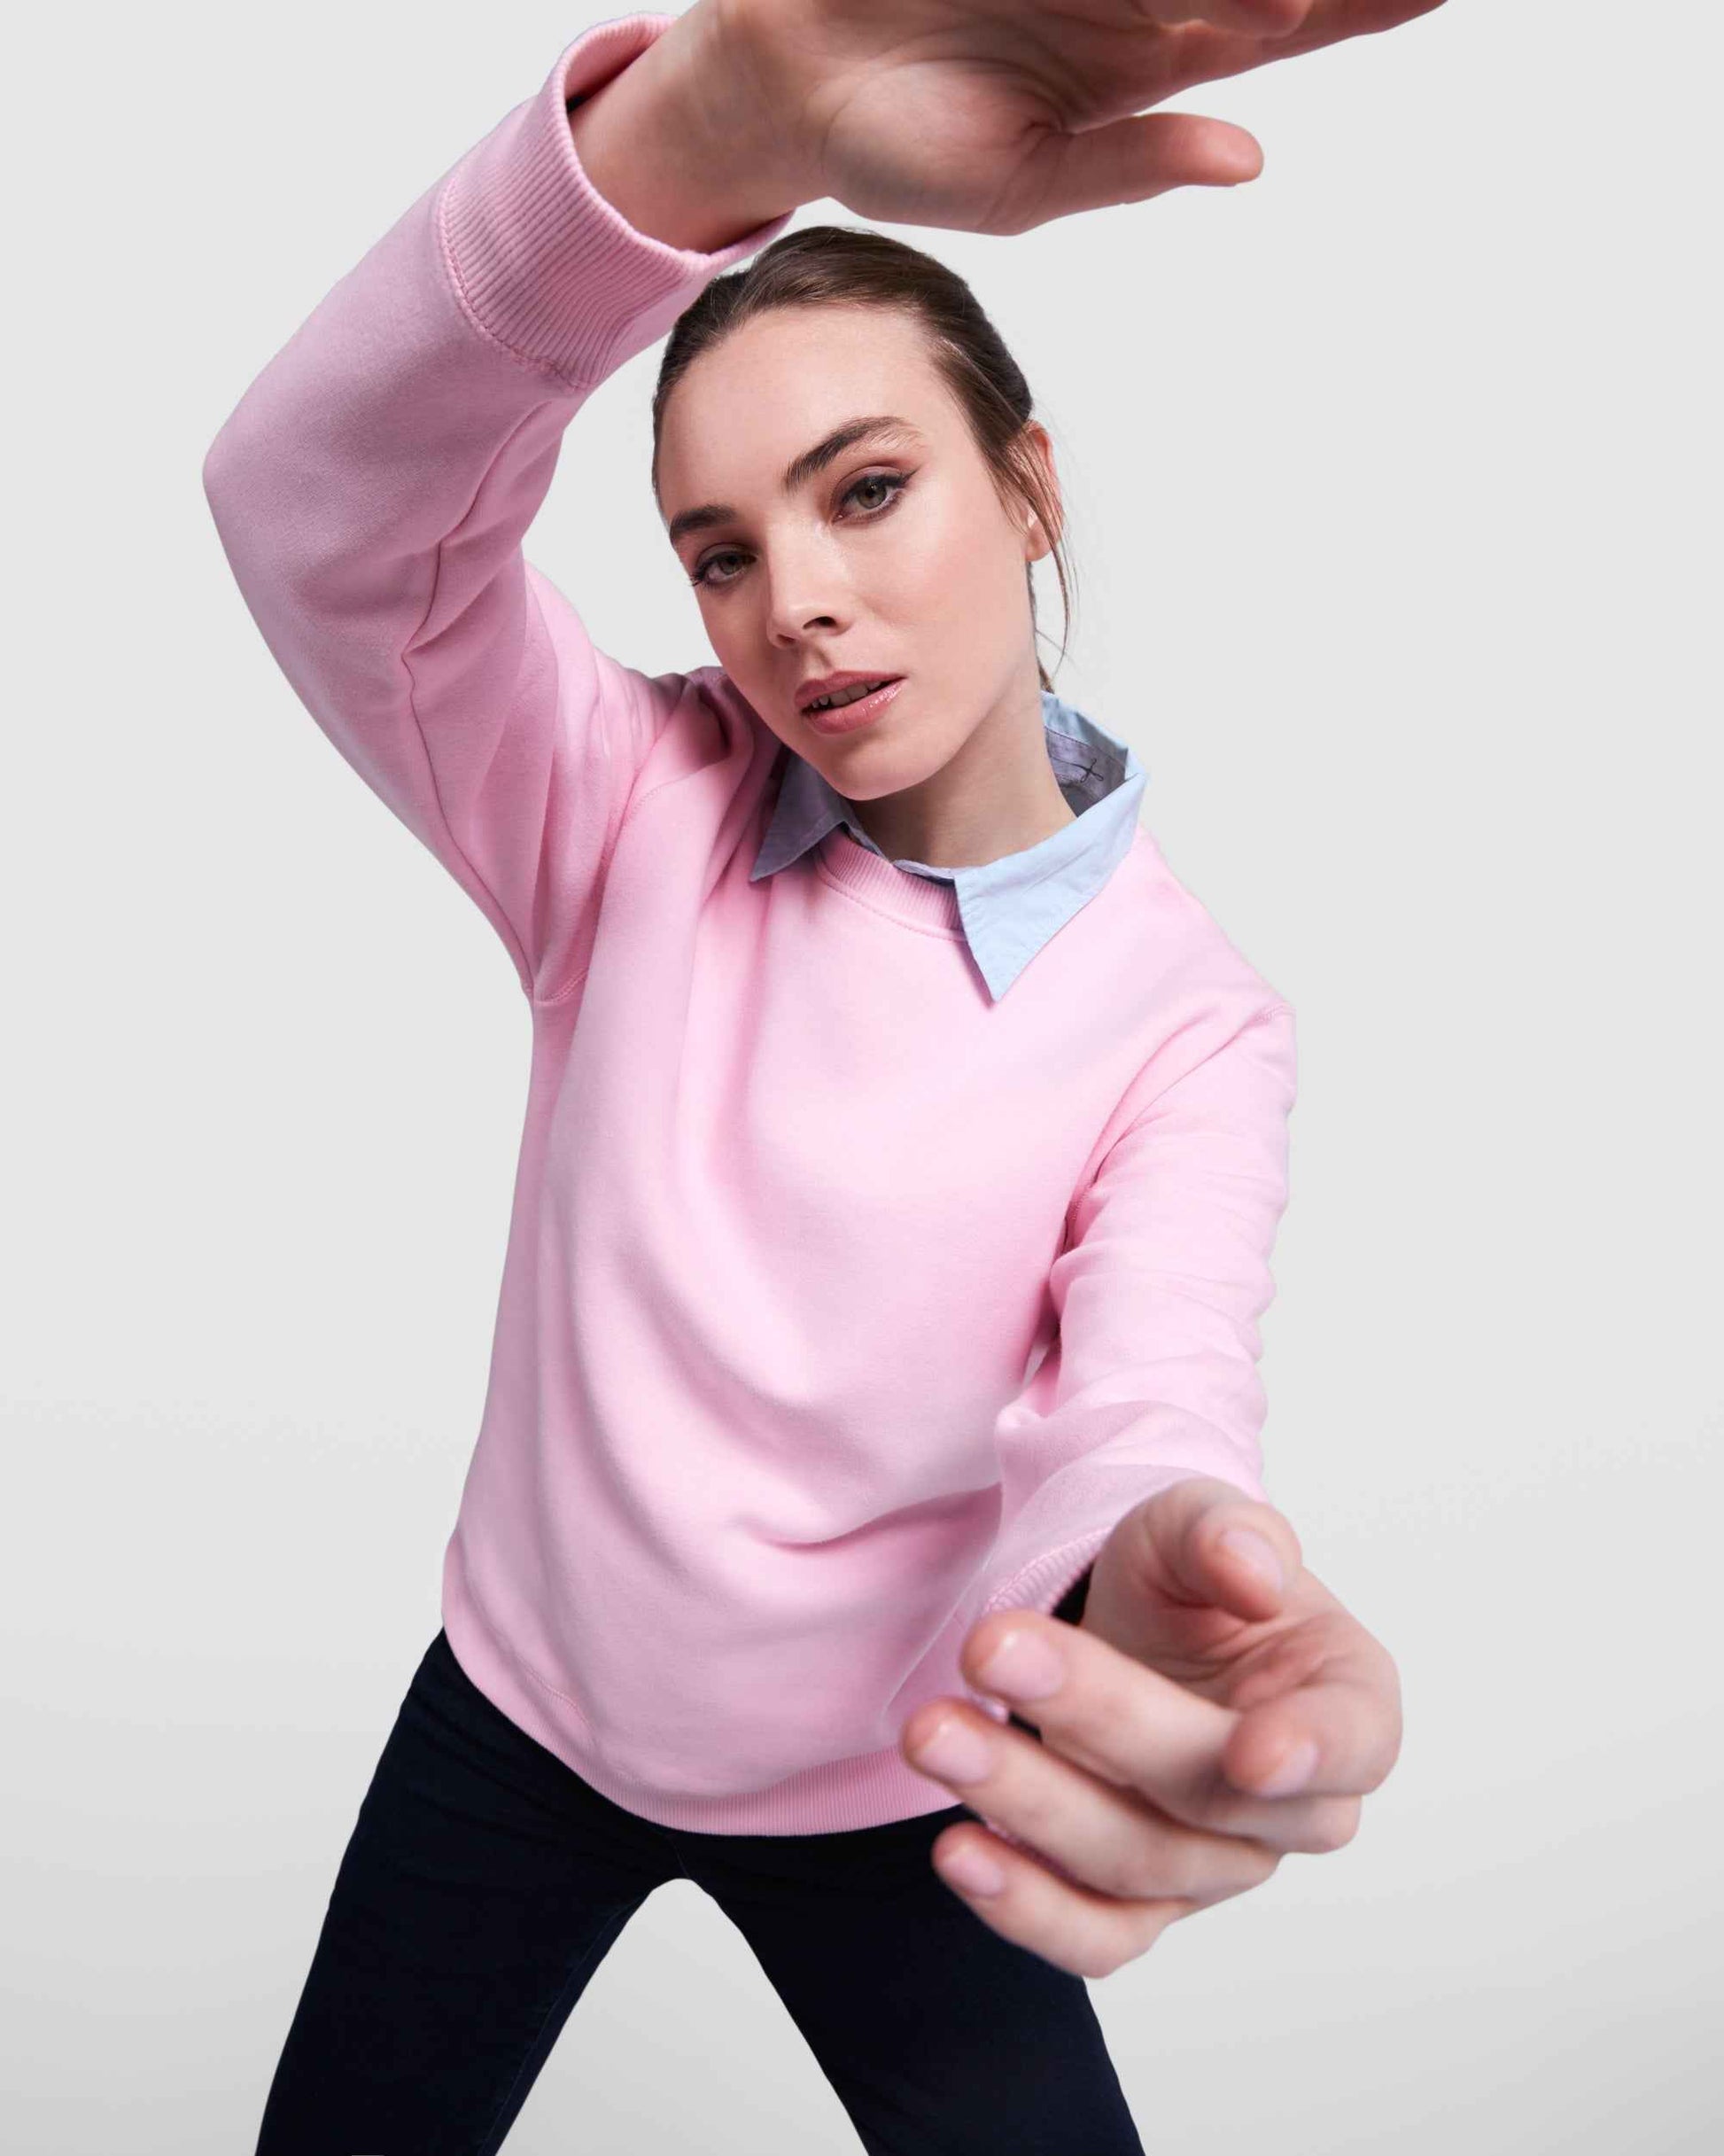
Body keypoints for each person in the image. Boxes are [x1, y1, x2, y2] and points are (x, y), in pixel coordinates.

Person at [203, 4, 1422, 2149]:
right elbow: (314, 493)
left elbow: (1149, 1378)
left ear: (1025, 485)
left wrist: (1161, 1556)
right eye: (722, 549)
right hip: (516, 1719)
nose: (801, 606)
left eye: (866, 491)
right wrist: (697, 130)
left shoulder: (1188, 1017)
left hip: (896, 1779)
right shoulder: (621, 806)